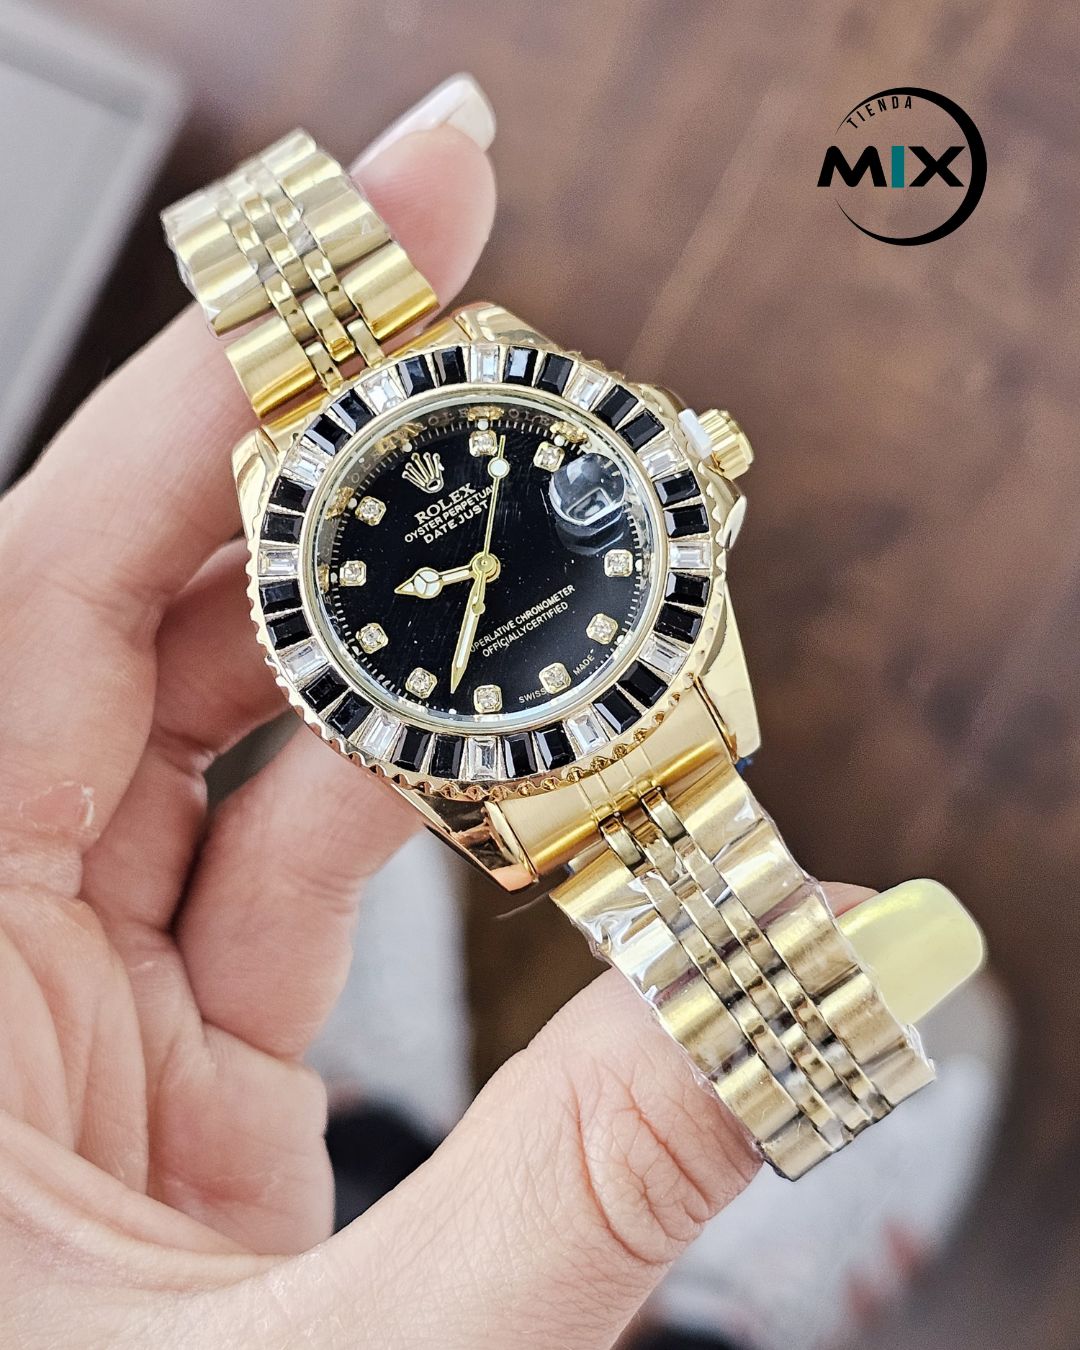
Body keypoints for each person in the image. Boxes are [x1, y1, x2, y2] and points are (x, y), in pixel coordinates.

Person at [0, 78, 1001, 1348]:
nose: (482, 568)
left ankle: (368, 1134)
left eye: (481, 559)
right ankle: (707, 1320)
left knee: (334, 1106)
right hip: (554, 729)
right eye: (460, 571)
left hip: (552, 708)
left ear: (689, 466)